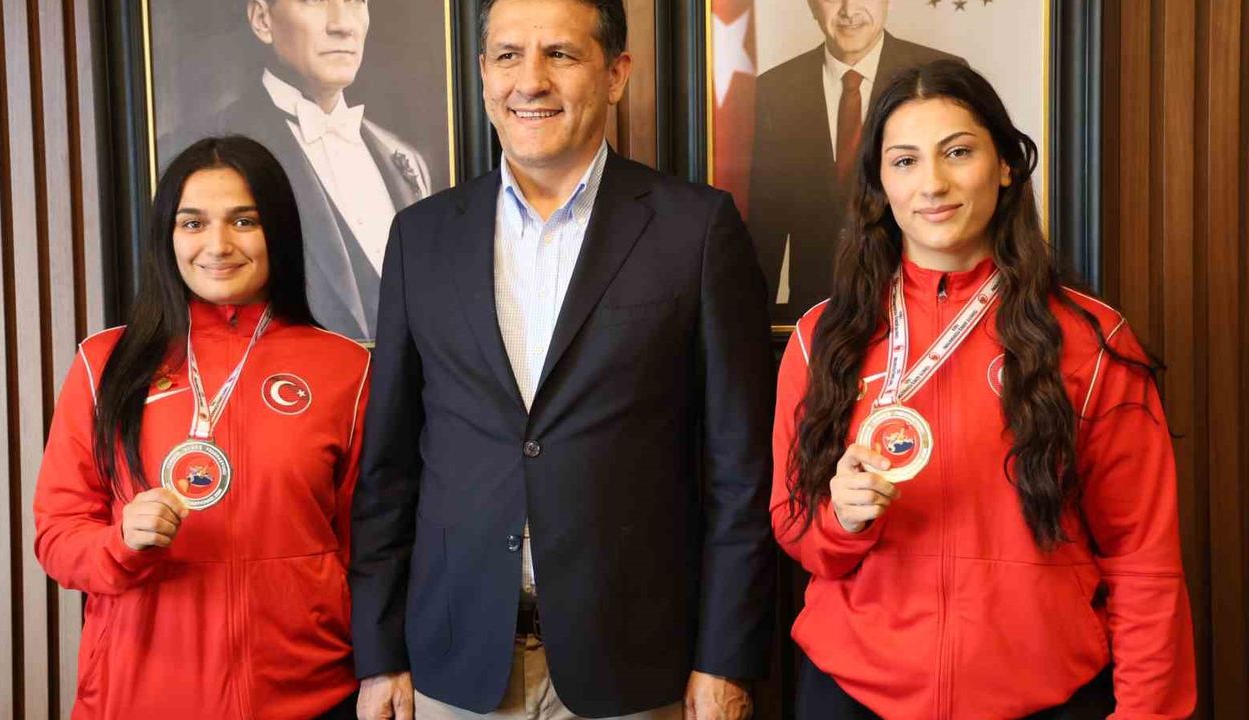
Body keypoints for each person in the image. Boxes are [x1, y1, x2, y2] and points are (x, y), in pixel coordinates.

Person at [349, 0, 776, 718]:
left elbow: (740, 470)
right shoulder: (421, 237)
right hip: (452, 663)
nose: (530, 81)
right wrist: (380, 652)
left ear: (616, 74)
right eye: (508, 56)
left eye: (561, 54)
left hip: (636, 665)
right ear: (483, 74)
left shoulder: (696, 229)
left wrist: (726, 657)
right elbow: (387, 470)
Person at [771, 61, 1196, 718]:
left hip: (1048, 698)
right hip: (852, 697)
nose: (932, 184)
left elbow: (1144, 558)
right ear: (880, 184)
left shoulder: (1090, 340)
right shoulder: (822, 338)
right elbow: (795, 527)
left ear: (1003, 165)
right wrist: (843, 521)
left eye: (958, 152)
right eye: (905, 161)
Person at [34, 136, 372, 719]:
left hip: (310, 695)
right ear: (167, 237)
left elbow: (369, 546)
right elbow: (58, 538)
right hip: (140, 696)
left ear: (278, 232)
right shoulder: (104, 363)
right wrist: (121, 541)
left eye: (244, 221)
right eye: (193, 223)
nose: (218, 245)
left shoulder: (345, 367)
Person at [220, 0, 433, 340]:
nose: (342, 25)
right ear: (262, 19)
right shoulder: (213, 156)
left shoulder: (404, 158)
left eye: (356, 1)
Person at [749, 0, 961, 324]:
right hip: (814, 315)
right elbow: (767, 221)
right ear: (812, 6)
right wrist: (761, 327)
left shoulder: (942, 73)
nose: (849, 10)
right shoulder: (773, 89)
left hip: (928, 311)